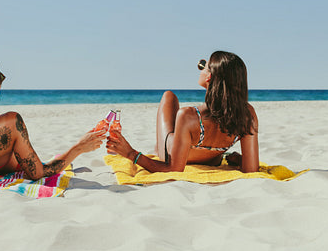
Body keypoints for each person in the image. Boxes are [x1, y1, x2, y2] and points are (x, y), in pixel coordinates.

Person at [106, 51, 259, 173]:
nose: (201, 68)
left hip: (176, 155)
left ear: (209, 77)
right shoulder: (247, 115)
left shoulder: (189, 116)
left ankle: (158, 147)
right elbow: (251, 169)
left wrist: (130, 153)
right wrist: (240, 160)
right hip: (211, 160)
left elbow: (172, 169)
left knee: (169, 96)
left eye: (204, 66)